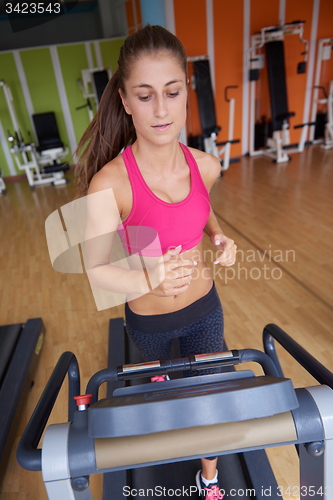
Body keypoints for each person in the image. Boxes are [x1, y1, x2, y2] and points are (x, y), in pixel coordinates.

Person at [75, 24, 237, 500]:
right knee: (165, 399)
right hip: (148, 323)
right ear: (125, 101)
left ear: (186, 90)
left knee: (210, 403)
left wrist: (220, 235)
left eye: (171, 91)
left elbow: (201, 208)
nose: (161, 109)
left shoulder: (207, 165)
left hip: (205, 309)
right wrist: (151, 275)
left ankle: (208, 479)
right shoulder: (110, 185)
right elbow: (94, 271)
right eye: (145, 96)